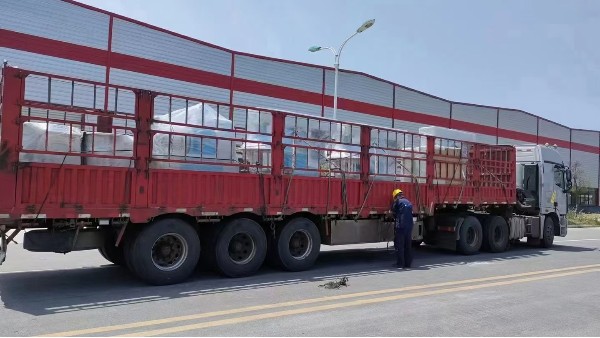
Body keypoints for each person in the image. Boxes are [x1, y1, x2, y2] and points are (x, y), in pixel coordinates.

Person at [391, 188, 414, 268]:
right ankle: (408, 264)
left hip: (401, 227)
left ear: (396, 196)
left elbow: (393, 212)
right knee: (408, 245)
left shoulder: (397, 202)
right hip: (409, 226)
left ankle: (400, 263)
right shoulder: (408, 202)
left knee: (399, 245)